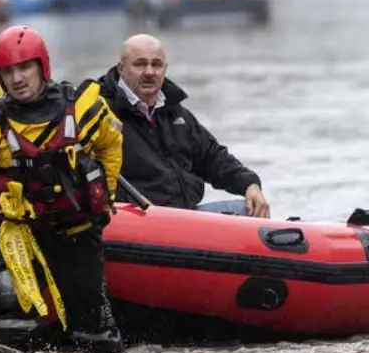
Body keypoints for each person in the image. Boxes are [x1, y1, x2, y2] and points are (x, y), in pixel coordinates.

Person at [0, 25, 126, 353]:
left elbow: (112, 144)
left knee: (96, 333)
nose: (17, 78)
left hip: (78, 236)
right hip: (20, 242)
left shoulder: (83, 110)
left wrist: (105, 198)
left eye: (24, 68)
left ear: (42, 66)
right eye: (7, 72)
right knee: (13, 328)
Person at [96, 33, 270, 217]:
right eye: (140, 64)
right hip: (136, 221)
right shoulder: (101, 112)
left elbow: (213, 156)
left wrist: (250, 184)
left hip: (185, 218)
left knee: (251, 210)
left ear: (165, 69)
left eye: (156, 64)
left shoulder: (176, 114)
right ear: (121, 69)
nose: (149, 72)